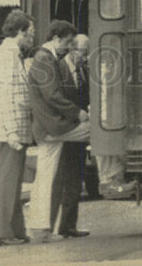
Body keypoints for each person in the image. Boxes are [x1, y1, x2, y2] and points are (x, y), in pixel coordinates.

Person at [27, 20, 90, 243]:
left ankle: (40, 229)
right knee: (95, 129)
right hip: (53, 126)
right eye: (67, 42)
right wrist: (77, 113)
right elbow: (52, 95)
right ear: (55, 38)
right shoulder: (44, 59)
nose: (68, 47)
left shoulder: (46, 58)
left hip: (49, 126)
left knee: (46, 178)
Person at [0, 10, 35, 247]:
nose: (31, 38)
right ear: (20, 31)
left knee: (15, 181)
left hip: (15, 127)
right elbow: (4, 94)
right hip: (11, 129)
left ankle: (15, 229)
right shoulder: (6, 55)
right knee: (8, 182)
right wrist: (11, 131)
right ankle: (1, 232)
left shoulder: (12, 54)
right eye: (30, 33)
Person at [50, 33, 91, 238]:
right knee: (60, 180)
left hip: (80, 132)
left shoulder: (83, 70)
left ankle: (68, 225)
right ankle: (50, 226)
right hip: (65, 130)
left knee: (75, 179)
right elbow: (55, 99)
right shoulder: (58, 69)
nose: (85, 58)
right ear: (72, 49)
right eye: (83, 53)